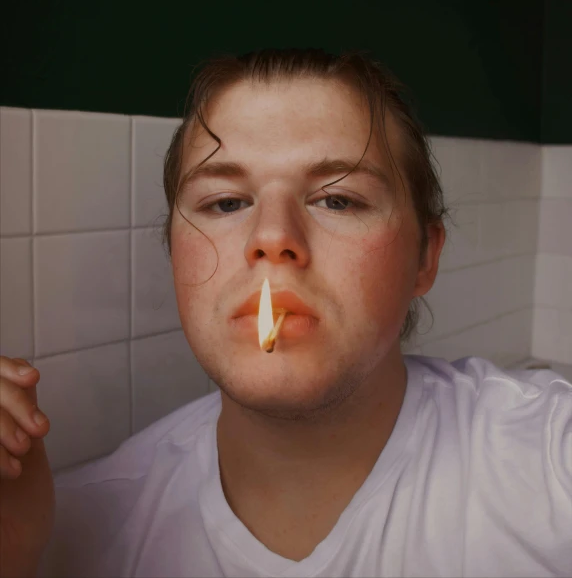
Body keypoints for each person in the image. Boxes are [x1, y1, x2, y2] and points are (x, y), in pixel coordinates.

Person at [1, 49, 570, 578]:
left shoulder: (550, 463)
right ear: (173, 253)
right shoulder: (57, 536)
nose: (273, 238)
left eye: (338, 199)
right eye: (226, 203)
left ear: (425, 256)